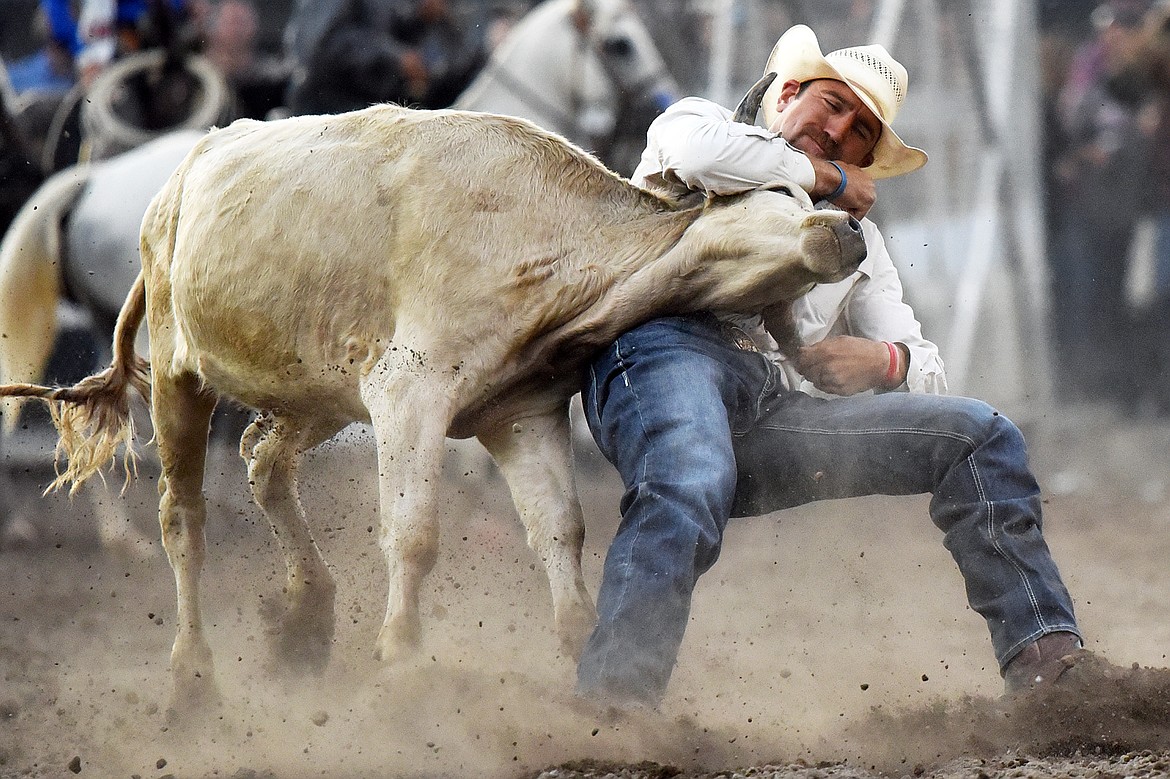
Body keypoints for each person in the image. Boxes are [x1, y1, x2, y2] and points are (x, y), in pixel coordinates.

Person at [576, 24, 1084, 708]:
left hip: (765, 406)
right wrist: (829, 176)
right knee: (690, 472)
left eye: (860, 132)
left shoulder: (860, 243)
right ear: (787, 91)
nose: (839, 129)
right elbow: (704, 153)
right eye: (833, 105)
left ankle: (1049, 669)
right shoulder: (700, 123)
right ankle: (614, 706)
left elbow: (926, 366)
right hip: (657, 352)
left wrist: (885, 360)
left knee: (980, 435)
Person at [283, 0, 485, 116]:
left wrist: (421, 19)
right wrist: (397, 57)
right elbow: (322, 45)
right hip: (328, 110)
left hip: (367, 109)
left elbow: (384, 33)